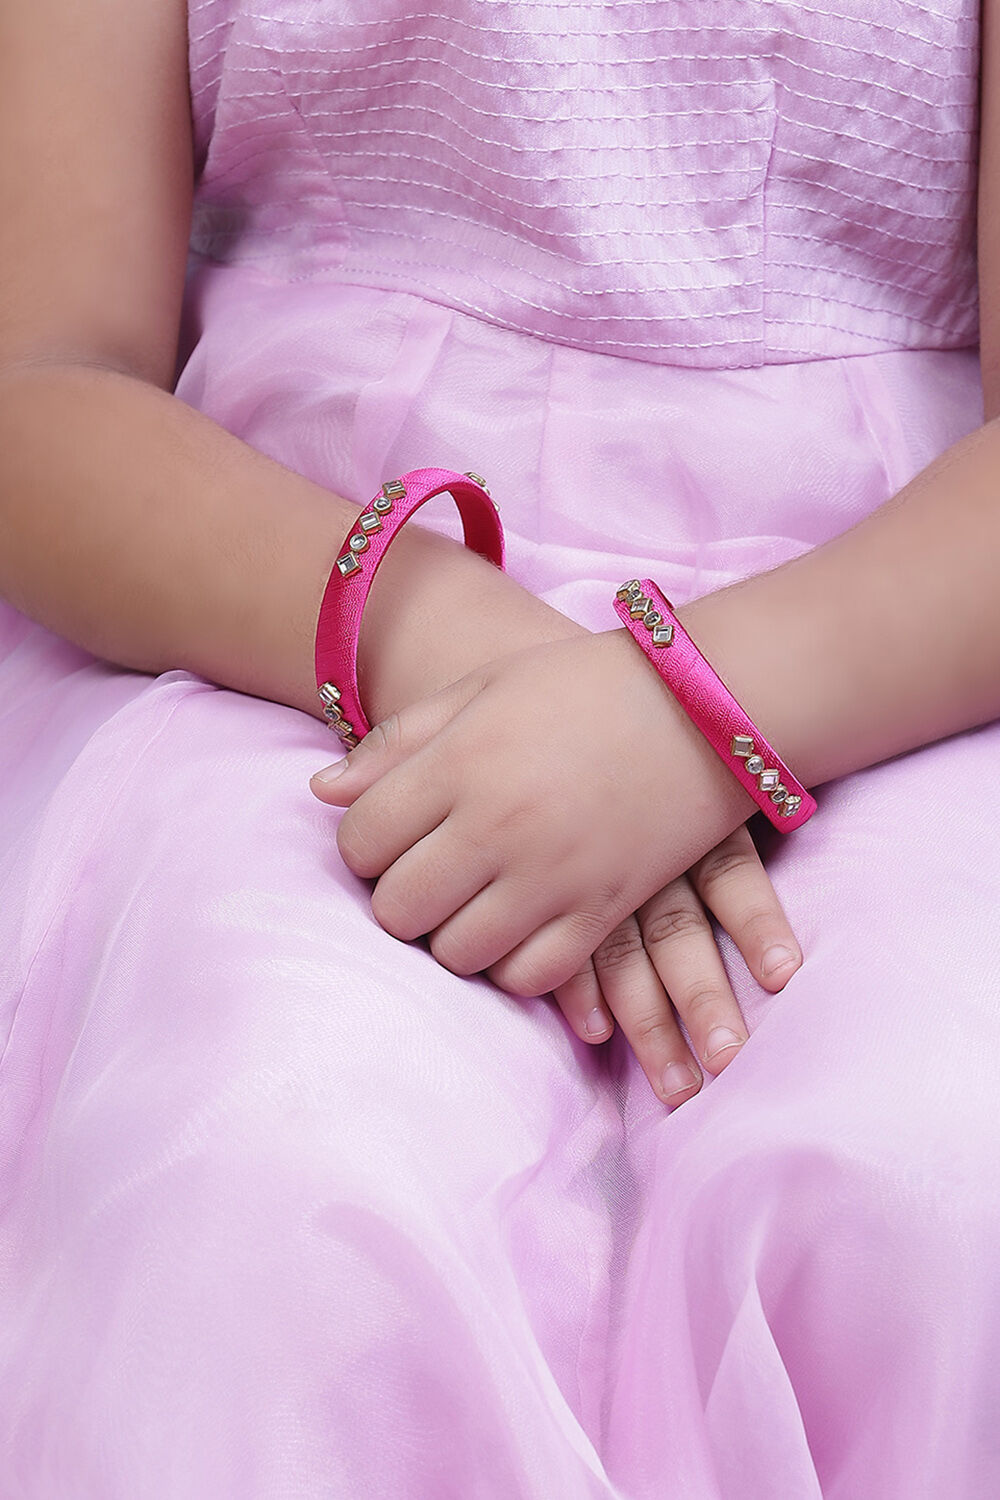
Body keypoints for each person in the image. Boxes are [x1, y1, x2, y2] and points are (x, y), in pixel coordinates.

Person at [1, 0, 997, 1494]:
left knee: (930, 1180)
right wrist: (449, 651)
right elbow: (41, 376)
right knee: (262, 1179)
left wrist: (682, 714)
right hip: (278, 617)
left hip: (900, 638)